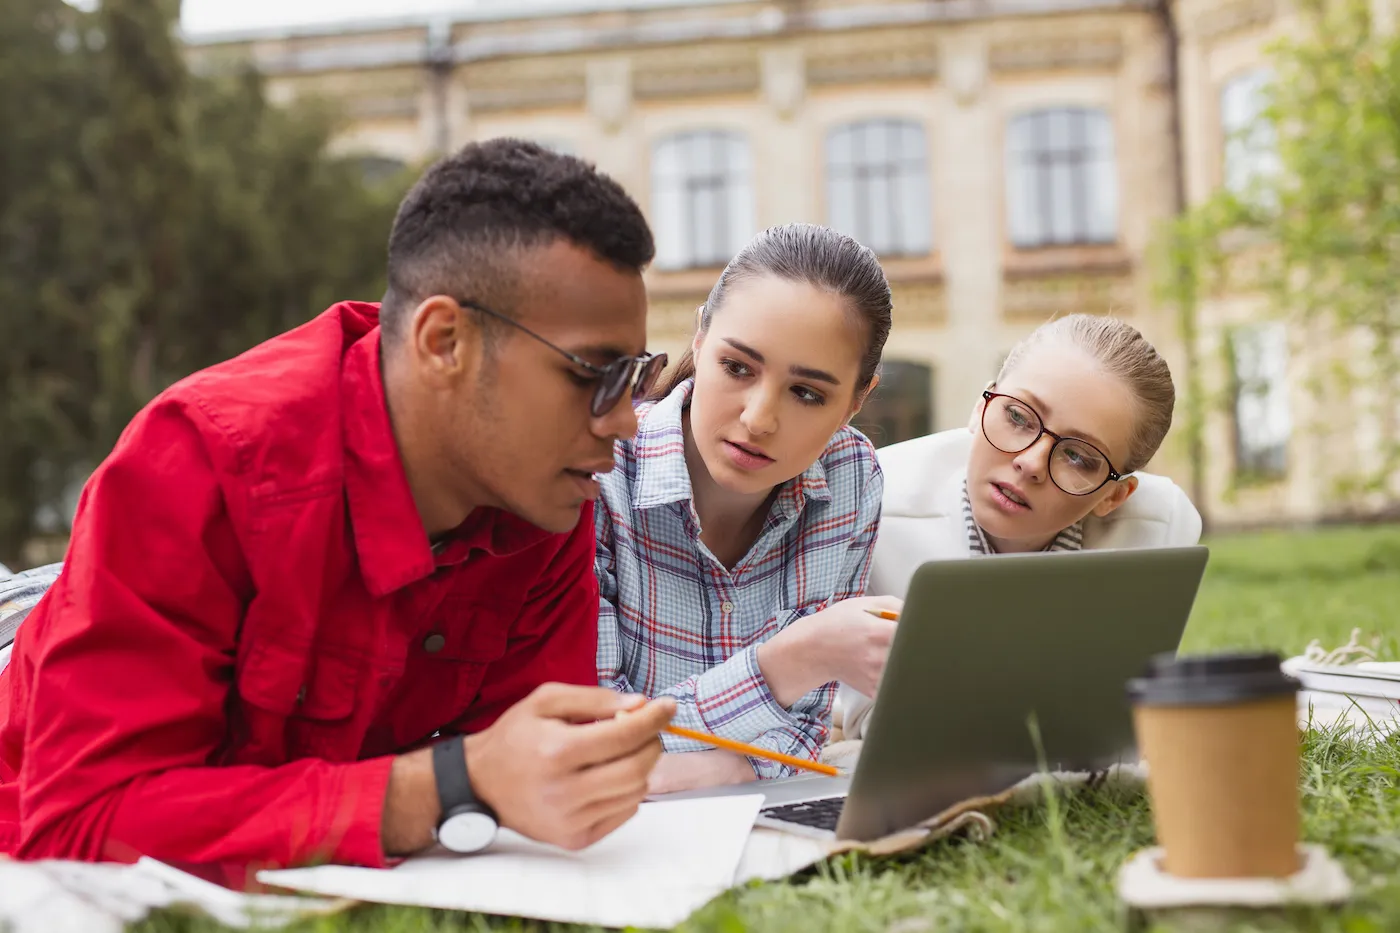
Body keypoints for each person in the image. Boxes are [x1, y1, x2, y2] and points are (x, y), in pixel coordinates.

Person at [0, 139, 680, 867]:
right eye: (595, 375)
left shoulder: (544, 501)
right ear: (444, 341)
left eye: (638, 377)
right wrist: (451, 784)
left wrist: (569, 775)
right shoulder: (204, 461)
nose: (625, 420)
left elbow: (522, 805)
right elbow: (81, 827)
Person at [596, 223, 903, 795]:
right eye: (737, 367)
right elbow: (591, 743)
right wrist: (792, 661)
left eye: (807, 393)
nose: (759, 419)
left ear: (856, 402)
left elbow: (800, 738)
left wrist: (687, 767)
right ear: (699, 339)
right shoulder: (598, 470)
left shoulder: (850, 477)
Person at [838, 313, 1203, 740]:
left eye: (1079, 456)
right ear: (979, 409)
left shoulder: (1160, 526)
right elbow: (874, 722)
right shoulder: (872, 502)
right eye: (1017, 416)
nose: (1029, 463)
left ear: (1113, 496)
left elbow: (1124, 714)